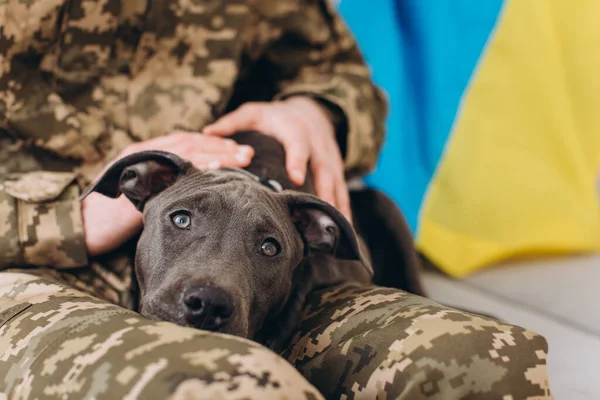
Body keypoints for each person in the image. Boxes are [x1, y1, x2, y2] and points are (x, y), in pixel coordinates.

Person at [0, 1, 550, 399]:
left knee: (481, 362)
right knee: (229, 386)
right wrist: (61, 219)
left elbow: (338, 70)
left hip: (253, 266)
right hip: (32, 268)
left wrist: (318, 109)